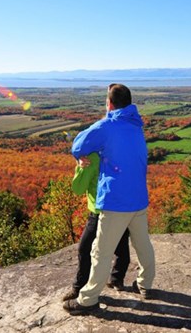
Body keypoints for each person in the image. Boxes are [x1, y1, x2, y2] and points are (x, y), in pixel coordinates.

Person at [63, 83, 156, 315]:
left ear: (110, 104)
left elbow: (79, 144)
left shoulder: (107, 125)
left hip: (117, 200)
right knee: (143, 244)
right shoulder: (136, 126)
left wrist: (79, 157)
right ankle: (145, 284)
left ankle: (87, 299)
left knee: (100, 251)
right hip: (138, 198)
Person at [61, 151, 130, 301]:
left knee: (85, 249)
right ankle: (117, 279)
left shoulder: (90, 159)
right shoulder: (117, 152)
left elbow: (78, 189)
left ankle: (79, 287)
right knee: (121, 246)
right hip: (120, 207)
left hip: (99, 211)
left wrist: (80, 167)